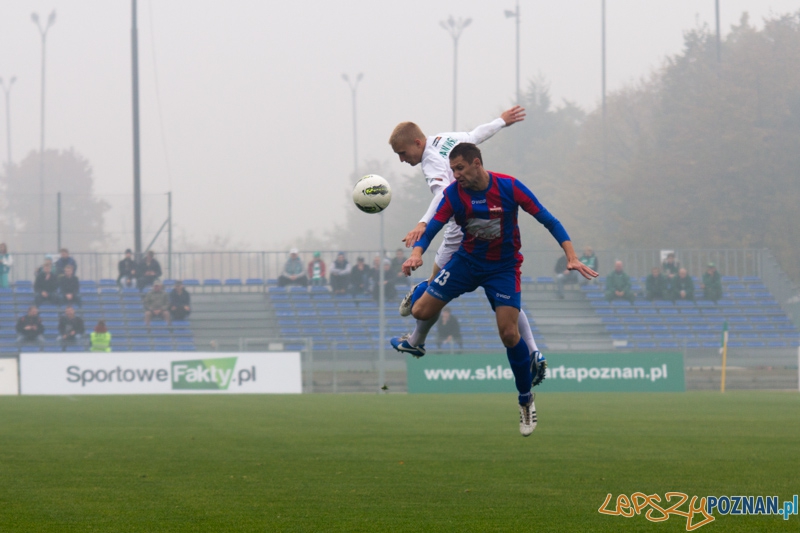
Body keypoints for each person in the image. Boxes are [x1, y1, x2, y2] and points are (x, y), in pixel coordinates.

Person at [391, 143, 597, 436]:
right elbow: (434, 226)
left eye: (460, 168)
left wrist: (572, 256)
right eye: (452, 170)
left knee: (509, 334)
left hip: (503, 269)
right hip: (466, 263)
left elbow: (549, 220)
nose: (456, 175)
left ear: (477, 163)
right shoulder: (454, 194)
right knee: (420, 311)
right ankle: (423, 293)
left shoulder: (509, 187)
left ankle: (525, 399)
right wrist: (416, 254)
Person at [389, 106, 539, 371]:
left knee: (436, 287)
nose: (402, 159)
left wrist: (423, 222)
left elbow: (442, 194)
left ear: (417, 143)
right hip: (477, 220)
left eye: (402, 153)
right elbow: (475, 135)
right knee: (503, 296)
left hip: (461, 228)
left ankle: (416, 339)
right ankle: (534, 352)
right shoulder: (444, 139)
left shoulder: (430, 161)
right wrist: (500, 121)